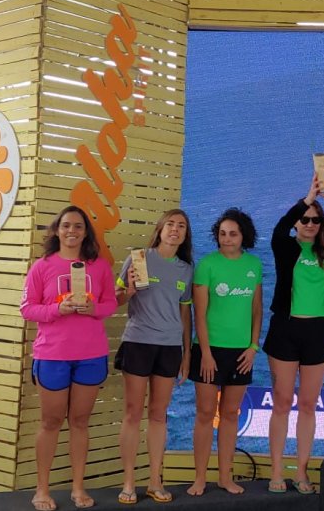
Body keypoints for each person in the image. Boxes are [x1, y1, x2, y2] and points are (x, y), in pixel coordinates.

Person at [263, 174, 324, 494]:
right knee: (281, 403)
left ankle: (302, 472)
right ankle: (277, 471)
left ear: (322, 225)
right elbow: (279, 228)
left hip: (318, 331)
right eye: (304, 219)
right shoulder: (284, 247)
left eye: (315, 220)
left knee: (307, 405)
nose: (309, 224)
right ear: (297, 223)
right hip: (285, 329)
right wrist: (307, 199)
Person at [20, 206, 118, 511]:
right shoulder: (42, 267)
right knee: (51, 422)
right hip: (52, 355)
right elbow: (27, 308)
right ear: (57, 230)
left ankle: (78, 488)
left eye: (78, 226)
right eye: (66, 226)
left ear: (86, 232)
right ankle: (41, 490)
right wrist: (55, 310)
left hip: (91, 355)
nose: (71, 231)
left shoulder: (99, 267)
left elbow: (110, 303)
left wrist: (94, 309)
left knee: (79, 421)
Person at [115, 209, 194, 504]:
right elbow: (116, 299)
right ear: (160, 229)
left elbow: (185, 312)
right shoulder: (138, 258)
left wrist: (187, 353)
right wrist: (129, 290)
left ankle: (154, 481)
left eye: (181, 226)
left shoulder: (186, 269)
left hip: (170, 347)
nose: (175, 229)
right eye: (170, 224)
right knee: (133, 413)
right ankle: (128, 482)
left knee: (159, 414)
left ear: (185, 234)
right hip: (138, 342)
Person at [186, 208, 263, 496]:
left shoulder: (254, 265)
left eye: (232, 234)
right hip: (209, 350)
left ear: (244, 236)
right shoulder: (207, 265)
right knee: (205, 413)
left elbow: (256, 310)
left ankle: (225, 477)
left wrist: (253, 347)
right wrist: (205, 353)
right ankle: (199, 478)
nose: (226, 239)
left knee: (230, 414)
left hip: (241, 352)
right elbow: (199, 314)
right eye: (222, 234)